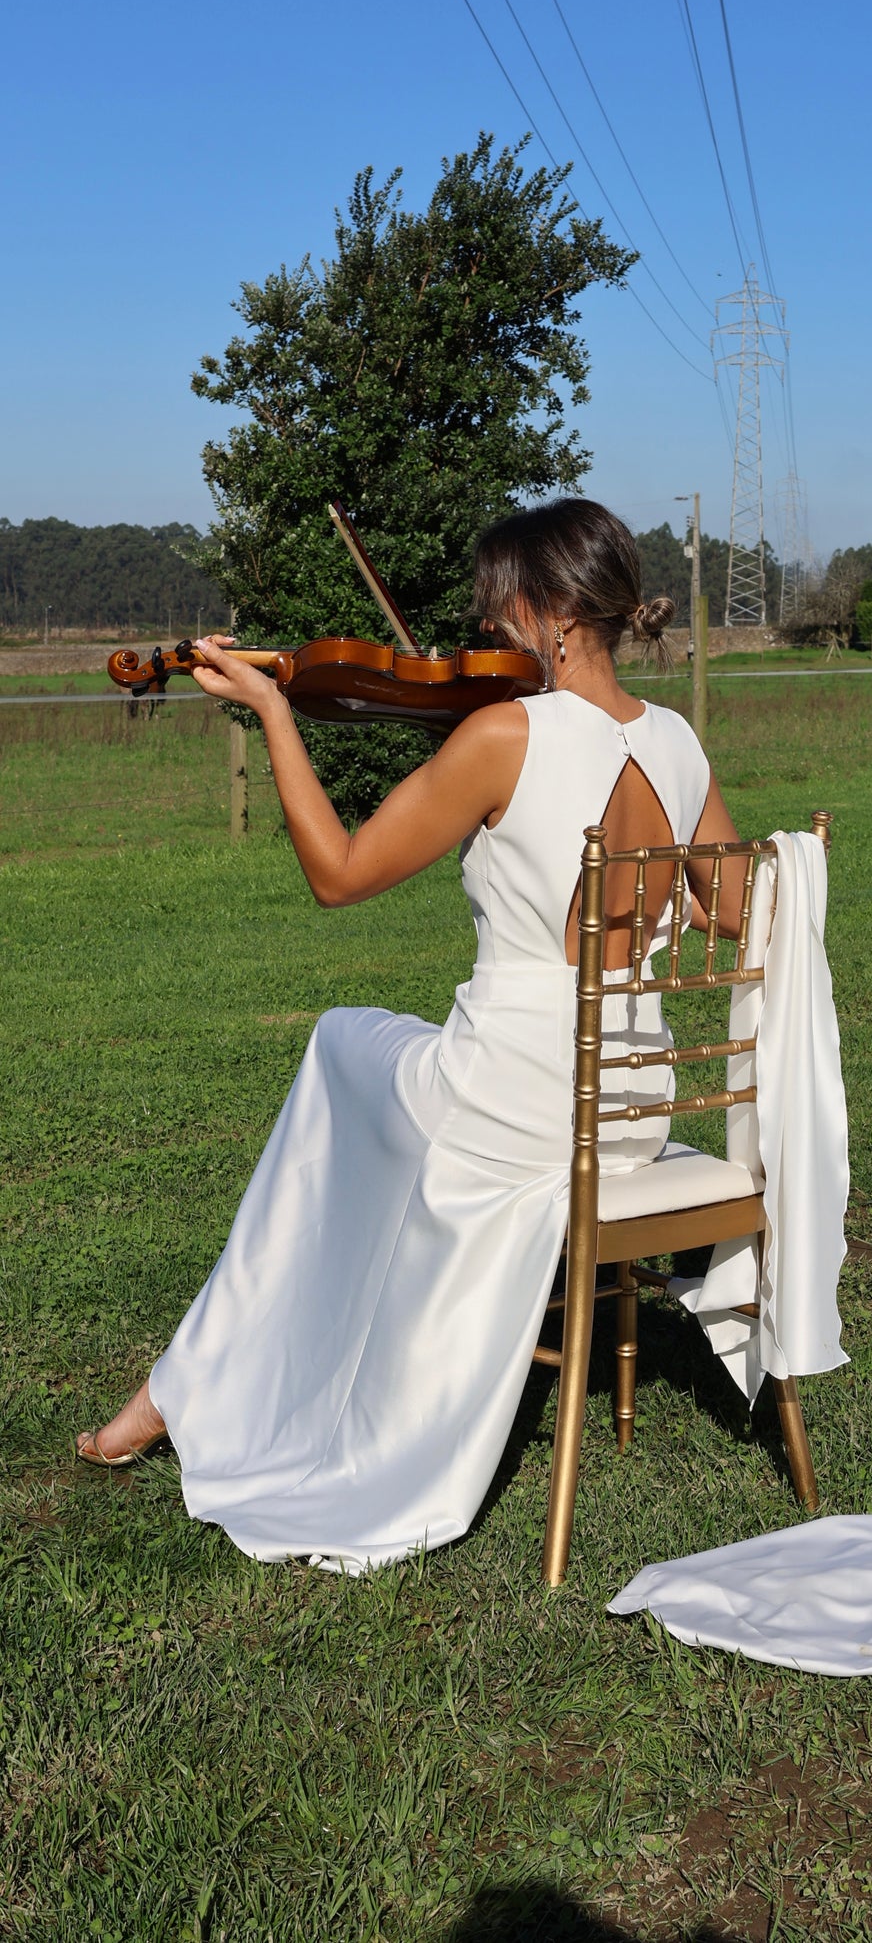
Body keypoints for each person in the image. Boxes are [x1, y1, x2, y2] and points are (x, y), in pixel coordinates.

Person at [77, 498, 747, 1573]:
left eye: (498, 613)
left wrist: (276, 714)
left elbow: (338, 878)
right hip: (627, 1109)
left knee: (339, 1049)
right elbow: (733, 909)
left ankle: (185, 1385)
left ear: (551, 613)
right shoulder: (673, 739)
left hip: (513, 1103)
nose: (484, 636)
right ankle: (193, 1376)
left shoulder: (501, 735)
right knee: (357, 1081)